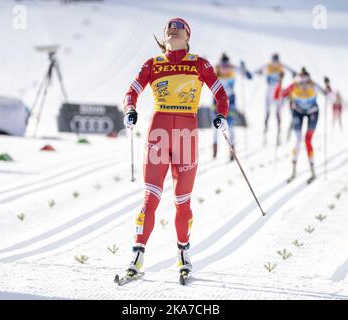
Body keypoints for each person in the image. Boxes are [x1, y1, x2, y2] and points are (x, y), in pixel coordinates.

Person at [121, 18, 229, 279]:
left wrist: (222, 115)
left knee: (182, 202)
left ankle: (183, 252)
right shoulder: (152, 64)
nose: (172, 28)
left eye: (178, 26)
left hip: (186, 135)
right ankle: (137, 255)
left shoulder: (199, 63)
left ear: (187, 35)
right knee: (151, 199)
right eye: (168, 26)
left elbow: (221, 94)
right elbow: (131, 92)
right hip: (159, 133)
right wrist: (130, 110)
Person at [280, 67, 329, 183]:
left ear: (309, 76)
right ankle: (293, 171)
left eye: (305, 77)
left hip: (312, 112)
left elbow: (328, 95)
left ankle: (312, 171)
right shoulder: (294, 85)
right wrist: (280, 81)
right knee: (297, 139)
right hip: (298, 112)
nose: (303, 80)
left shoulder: (313, 85)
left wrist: (327, 85)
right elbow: (281, 94)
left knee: (307, 140)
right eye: (301, 77)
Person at [211, 53, 252, 160]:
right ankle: (215, 150)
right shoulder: (217, 68)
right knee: (216, 126)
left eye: (226, 64)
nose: (225, 67)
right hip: (217, 101)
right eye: (223, 64)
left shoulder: (231, 68)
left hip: (230, 101)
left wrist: (244, 68)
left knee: (230, 125)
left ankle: (231, 150)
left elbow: (248, 76)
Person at [255, 53, 296, 145]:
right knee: (267, 114)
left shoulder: (281, 66)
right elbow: (257, 71)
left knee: (278, 115)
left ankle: (278, 136)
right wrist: (261, 73)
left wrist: (293, 74)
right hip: (269, 92)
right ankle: (265, 136)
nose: (275, 63)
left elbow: (292, 71)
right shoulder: (268, 66)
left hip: (278, 93)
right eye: (274, 61)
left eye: (276, 61)